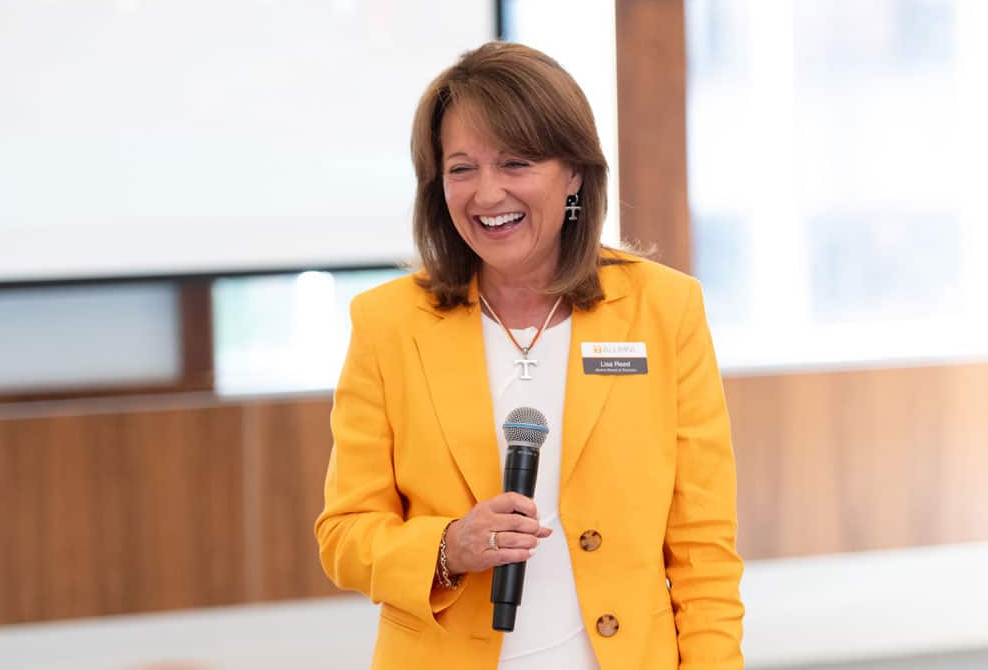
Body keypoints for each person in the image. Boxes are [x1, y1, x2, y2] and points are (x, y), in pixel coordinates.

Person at [315, 41, 744, 669]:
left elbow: (703, 549)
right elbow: (344, 534)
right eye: (461, 169)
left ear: (573, 173)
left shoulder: (663, 310)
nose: (487, 194)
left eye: (515, 163)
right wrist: (446, 546)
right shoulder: (387, 324)